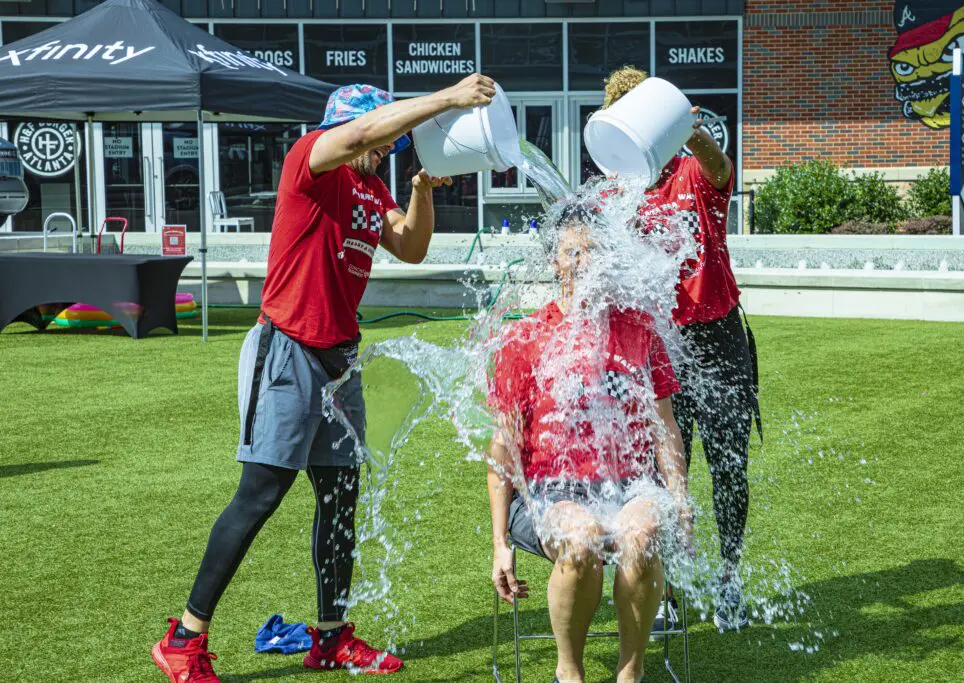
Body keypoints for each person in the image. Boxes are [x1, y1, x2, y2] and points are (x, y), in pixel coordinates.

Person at [151, 74, 497, 683]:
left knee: (340, 498)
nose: (386, 146)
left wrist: (420, 189)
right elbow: (363, 132)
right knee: (259, 492)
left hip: (341, 360)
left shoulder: (369, 185)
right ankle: (184, 636)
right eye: (381, 135)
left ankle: (332, 637)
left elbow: (412, 247)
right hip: (286, 348)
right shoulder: (309, 160)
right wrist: (445, 100)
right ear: (343, 128)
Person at [487, 207, 691, 683]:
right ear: (555, 261)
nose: (582, 261)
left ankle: (630, 674)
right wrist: (499, 544)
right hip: (549, 491)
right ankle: (569, 674)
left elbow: (665, 425)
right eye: (571, 251)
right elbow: (503, 445)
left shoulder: (639, 330)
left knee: (638, 537)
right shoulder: (526, 337)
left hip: (630, 483)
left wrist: (680, 499)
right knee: (581, 540)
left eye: (592, 251)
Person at [603, 66, 758, 632]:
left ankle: (730, 577)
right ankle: (668, 591)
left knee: (729, 464)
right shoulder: (621, 193)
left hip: (716, 334)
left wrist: (691, 132)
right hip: (660, 346)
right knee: (665, 471)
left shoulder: (694, 170)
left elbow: (723, 170)